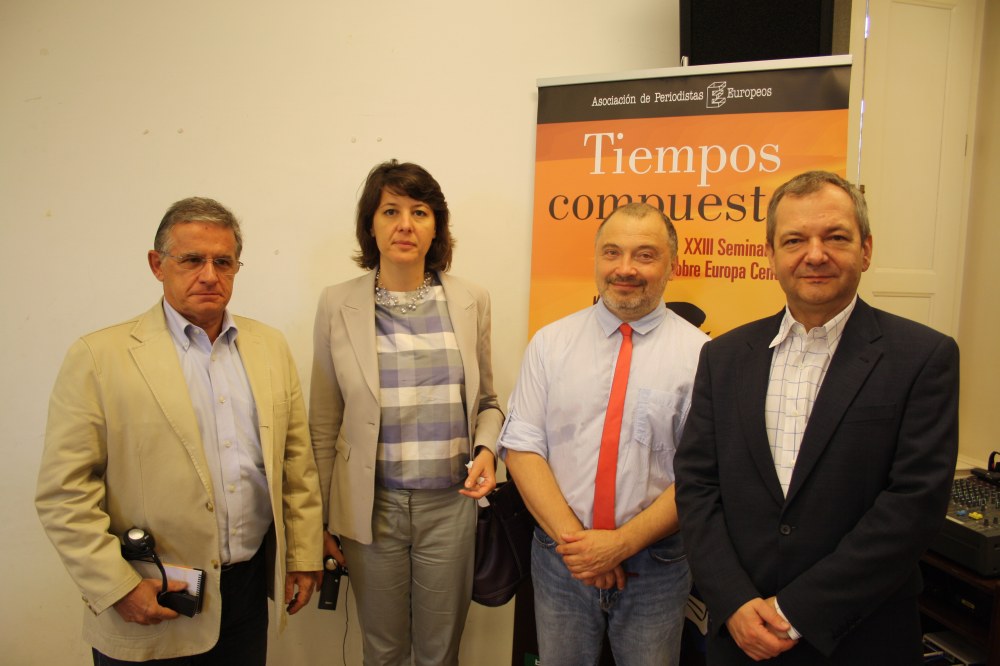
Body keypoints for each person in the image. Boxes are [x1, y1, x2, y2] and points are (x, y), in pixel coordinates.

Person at [674, 171, 959, 664]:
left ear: (866, 250)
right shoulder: (723, 356)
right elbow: (697, 484)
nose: (815, 254)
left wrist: (795, 611)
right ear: (771, 255)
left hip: (862, 636)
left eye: (835, 237)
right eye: (794, 240)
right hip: (741, 637)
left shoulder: (923, 357)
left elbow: (914, 505)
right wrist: (734, 600)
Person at [35, 197, 324, 665]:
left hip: (247, 593)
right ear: (157, 264)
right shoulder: (99, 357)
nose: (209, 275)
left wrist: (303, 556)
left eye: (223, 262)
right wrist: (116, 586)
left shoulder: (269, 347)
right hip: (150, 595)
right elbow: (63, 493)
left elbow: (296, 464)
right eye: (192, 260)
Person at [497, 202, 709, 666]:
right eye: (612, 252)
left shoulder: (704, 357)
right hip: (561, 560)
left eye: (645, 255)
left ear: (672, 265)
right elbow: (522, 448)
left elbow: (701, 476)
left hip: (657, 566)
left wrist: (620, 544)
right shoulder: (550, 344)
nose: (625, 268)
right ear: (596, 259)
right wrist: (580, 546)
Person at [310, 160, 503, 666]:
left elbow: (488, 403)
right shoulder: (336, 304)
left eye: (419, 212)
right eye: (390, 211)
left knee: (440, 652)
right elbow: (324, 422)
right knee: (384, 650)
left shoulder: (471, 300)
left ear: (436, 226)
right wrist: (322, 518)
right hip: (371, 507)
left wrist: (487, 450)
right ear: (370, 225)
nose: (405, 225)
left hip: (450, 505)